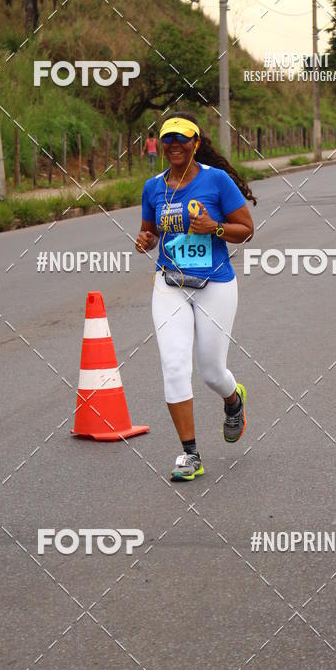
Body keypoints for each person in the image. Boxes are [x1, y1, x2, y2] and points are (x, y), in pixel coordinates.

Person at [135, 112, 256, 481]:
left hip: (215, 284)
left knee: (211, 371)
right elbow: (149, 230)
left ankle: (233, 399)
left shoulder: (216, 181)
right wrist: (146, 240)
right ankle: (190, 455)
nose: (174, 145)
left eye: (182, 138)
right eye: (168, 139)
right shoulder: (153, 187)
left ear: (196, 143)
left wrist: (214, 227)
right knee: (174, 366)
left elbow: (246, 229)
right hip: (169, 284)